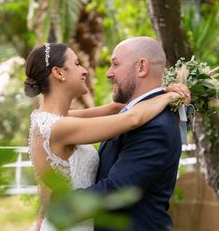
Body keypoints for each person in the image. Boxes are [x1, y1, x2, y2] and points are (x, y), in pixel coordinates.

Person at [25, 41, 189, 231]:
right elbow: (133, 118)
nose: (85, 70)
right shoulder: (58, 126)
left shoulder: (49, 118)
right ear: (58, 73)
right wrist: (167, 96)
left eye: (116, 64)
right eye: (77, 64)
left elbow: (116, 109)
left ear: (142, 67)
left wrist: (161, 91)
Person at [87, 37, 184, 231]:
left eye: (115, 64)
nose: (108, 73)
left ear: (141, 67)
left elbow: (116, 192)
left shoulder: (156, 125)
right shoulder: (134, 112)